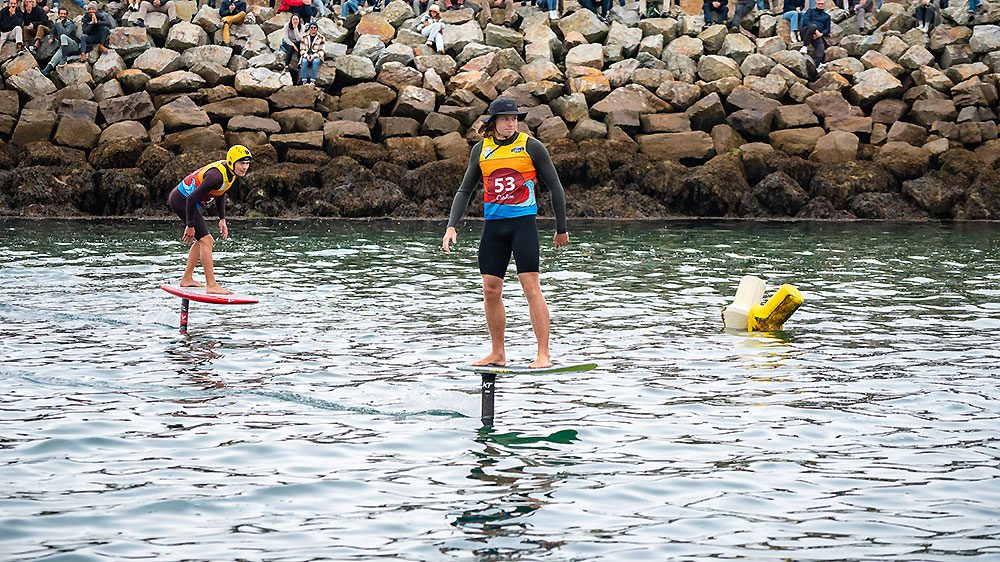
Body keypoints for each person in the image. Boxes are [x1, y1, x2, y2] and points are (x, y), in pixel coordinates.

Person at [442, 97, 569, 369]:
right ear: (493, 122)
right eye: (505, 119)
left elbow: (555, 187)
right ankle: (498, 353)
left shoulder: (531, 146)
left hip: (523, 225)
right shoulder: (481, 150)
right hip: (493, 228)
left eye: (514, 118)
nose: (511, 123)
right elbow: (465, 190)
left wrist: (561, 228)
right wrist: (451, 225)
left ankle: (543, 354)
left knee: (530, 286)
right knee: (490, 289)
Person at [168, 145, 253, 295]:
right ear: (232, 162)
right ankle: (211, 285)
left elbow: (221, 192)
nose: (245, 167)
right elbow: (191, 197)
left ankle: (187, 279)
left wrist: (222, 219)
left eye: (247, 163)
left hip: (187, 201)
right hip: (181, 200)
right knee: (207, 240)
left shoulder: (230, 173)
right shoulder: (216, 176)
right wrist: (190, 225)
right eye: (242, 163)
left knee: (202, 241)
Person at [41, 6, 77, 75]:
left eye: (64, 14)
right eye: (61, 14)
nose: (62, 15)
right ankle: (47, 69)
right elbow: (53, 32)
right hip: (63, 47)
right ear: (59, 14)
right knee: (58, 53)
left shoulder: (70, 23)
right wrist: (51, 38)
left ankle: (64, 58)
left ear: (66, 15)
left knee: (63, 36)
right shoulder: (57, 22)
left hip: (73, 45)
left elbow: (65, 33)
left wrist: (59, 24)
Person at [799, 0, 829, 70]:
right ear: (816, 4)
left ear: (824, 5)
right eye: (819, 4)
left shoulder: (827, 16)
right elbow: (806, 21)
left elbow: (827, 29)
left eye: (822, 4)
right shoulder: (810, 11)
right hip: (806, 32)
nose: (820, 5)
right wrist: (816, 30)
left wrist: (821, 34)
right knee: (813, 26)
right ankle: (804, 46)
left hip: (816, 36)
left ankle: (817, 65)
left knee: (821, 46)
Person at [298, 20, 323, 84]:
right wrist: (307, 55)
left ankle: (312, 81)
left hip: (316, 55)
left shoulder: (321, 38)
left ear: (317, 29)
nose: (313, 29)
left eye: (315, 27)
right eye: (311, 27)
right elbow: (302, 50)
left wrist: (313, 56)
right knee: (304, 61)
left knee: (315, 62)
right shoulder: (304, 37)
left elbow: (321, 51)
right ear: (309, 28)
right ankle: (304, 81)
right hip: (306, 54)